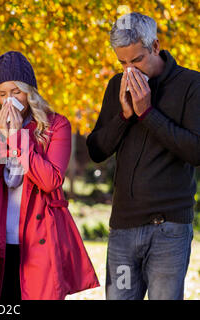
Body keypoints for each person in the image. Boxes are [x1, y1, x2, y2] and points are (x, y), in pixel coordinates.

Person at [86, 12, 199, 300]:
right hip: (123, 230)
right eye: (122, 63)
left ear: (156, 46)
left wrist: (148, 113)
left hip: (169, 230)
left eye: (136, 60)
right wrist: (125, 116)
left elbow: (196, 151)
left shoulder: (191, 86)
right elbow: (97, 150)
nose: (129, 70)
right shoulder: (116, 86)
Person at [0, 51, 99, 300]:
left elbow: (50, 180)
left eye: (16, 92)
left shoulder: (56, 126)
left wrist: (19, 138)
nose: (9, 100)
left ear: (29, 91)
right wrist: (1, 139)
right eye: (3, 94)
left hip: (39, 238)